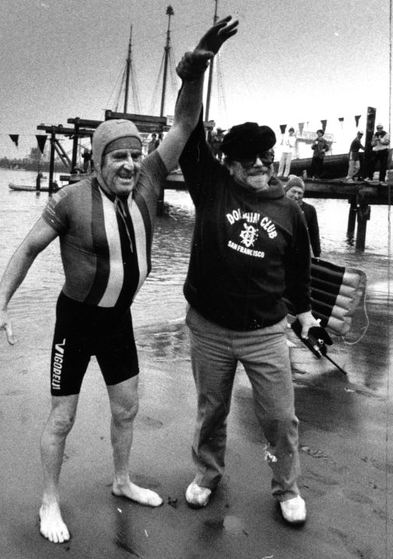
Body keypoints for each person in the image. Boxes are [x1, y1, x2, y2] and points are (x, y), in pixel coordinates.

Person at [0, 18, 234, 545]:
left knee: (128, 407)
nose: (128, 162)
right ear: (97, 162)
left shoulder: (149, 181)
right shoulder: (70, 199)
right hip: (75, 323)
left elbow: (184, 126)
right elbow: (26, 250)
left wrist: (195, 72)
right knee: (62, 419)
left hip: (118, 320)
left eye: (133, 154)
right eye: (117, 155)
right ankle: (49, 500)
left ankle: (121, 479)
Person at [173, 18, 319, 526]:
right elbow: (186, 128)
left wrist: (304, 314)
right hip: (209, 328)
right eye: (247, 158)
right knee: (211, 413)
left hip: (265, 333)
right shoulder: (211, 187)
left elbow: (297, 273)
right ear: (229, 164)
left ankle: (286, 488)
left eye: (265, 155)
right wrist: (194, 71)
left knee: (280, 418)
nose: (258, 163)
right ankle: (207, 475)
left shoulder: (292, 211)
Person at [284, 175, 321, 258]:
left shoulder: (310, 210)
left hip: (299, 253)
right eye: (293, 191)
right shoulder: (278, 206)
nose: (296, 196)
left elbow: (314, 235)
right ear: (286, 191)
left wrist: (317, 255)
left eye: (300, 193)